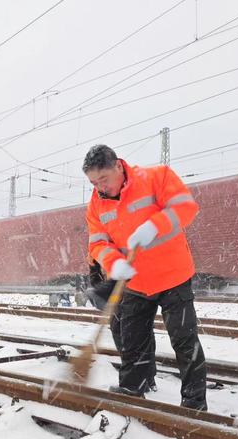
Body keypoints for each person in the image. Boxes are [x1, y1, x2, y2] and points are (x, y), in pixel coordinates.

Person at [83, 144, 207, 410]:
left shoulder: (156, 177)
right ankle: (132, 389)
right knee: (132, 340)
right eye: (93, 182)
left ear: (118, 166)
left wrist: (155, 225)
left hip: (173, 276)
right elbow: (97, 242)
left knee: (184, 340)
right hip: (136, 282)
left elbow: (186, 207)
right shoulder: (96, 203)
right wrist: (113, 262)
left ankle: (194, 402)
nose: (100, 187)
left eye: (103, 179)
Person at [86, 256, 157, 392]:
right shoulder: (101, 247)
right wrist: (95, 272)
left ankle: (147, 379)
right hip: (117, 295)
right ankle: (139, 378)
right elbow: (96, 273)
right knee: (122, 335)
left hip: (136, 291)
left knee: (140, 336)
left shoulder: (121, 242)